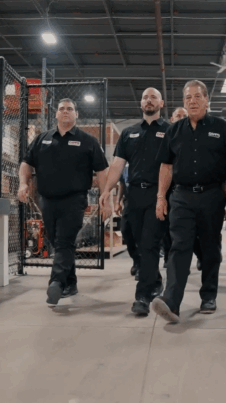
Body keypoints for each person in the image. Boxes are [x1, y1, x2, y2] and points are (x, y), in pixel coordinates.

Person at [152, 80, 226, 323]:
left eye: (197, 96)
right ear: (183, 102)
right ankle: (172, 300)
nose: (192, 101)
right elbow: (166, 167)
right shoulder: (174, 131)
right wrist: (161, 197)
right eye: (188, 97)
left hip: (211, 196)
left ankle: (209, 295)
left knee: (210, 247)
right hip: (181, 197)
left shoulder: (222, 128)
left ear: (206, 100)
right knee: (179, 246)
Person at [19, 98, 109, 307]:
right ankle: (71, 283)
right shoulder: (42, 139)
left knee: (64, 241)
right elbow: (26, 163)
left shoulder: (88, 141)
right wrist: (23, 183)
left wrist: (105, 197)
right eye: (62, 109)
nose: (66, 111)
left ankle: (56, 283)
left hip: (74, 200)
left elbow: (102, 171)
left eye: (70, 109)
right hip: (47, 200)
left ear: (76, 114)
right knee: (56, 241)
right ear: (56, 114)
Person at [99, 88, 170, 316]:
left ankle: (143, 296)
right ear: (141, 104)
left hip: (158, 194)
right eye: (145, 97)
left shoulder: (170, 130)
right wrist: (107, 190)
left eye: (153, 97)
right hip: (134, 195)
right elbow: (117, 165)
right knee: (132, 238)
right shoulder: (129, 133)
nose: (149, 100)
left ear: (161, 103)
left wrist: (165, 195)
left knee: (149, 244)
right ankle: (155, 280)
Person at [162, 107, 189, 269]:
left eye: (184, 116)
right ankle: (168, 257)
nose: (181, 118)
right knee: (168, 226)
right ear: (172, 119)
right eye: (178, 116)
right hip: (168, 189)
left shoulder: (195, 136)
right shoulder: (168, 137)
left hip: (186, 190)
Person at [117, 164, 140, 277]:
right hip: (128, 200)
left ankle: (141, 265)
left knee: (139, 233)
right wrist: (117, 201)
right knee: (125, 230)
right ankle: (136, 259)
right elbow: (122, 183)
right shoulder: (124, 163)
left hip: (143, 198)